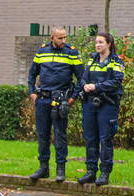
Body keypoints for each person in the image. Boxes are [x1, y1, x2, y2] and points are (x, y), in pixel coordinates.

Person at [27, 27, 84, 182]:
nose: (63, 41)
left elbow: (81, 78)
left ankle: (60, 169)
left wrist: (72, 98)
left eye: (65, 37)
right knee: (43, 135)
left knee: (60, 135)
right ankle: (43, 167)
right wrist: (32, 92)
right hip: (43, 99)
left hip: (61, 100)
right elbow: (32, 74)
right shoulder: (42, 51)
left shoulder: (71, 52)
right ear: (52, 37)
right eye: (60, 38)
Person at [77, 32, 124, 186]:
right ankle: (91, 171)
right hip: (90, 104)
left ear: (109, 44)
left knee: (105, 139)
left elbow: (116, 82)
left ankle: (104, 172)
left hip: (107, 104)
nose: (97, 45)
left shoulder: (116, 61)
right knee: (90, 138)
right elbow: (83, 77)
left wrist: (96, 86)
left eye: (101, 42)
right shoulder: (92, 59)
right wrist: (84, 84)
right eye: (96, 42)